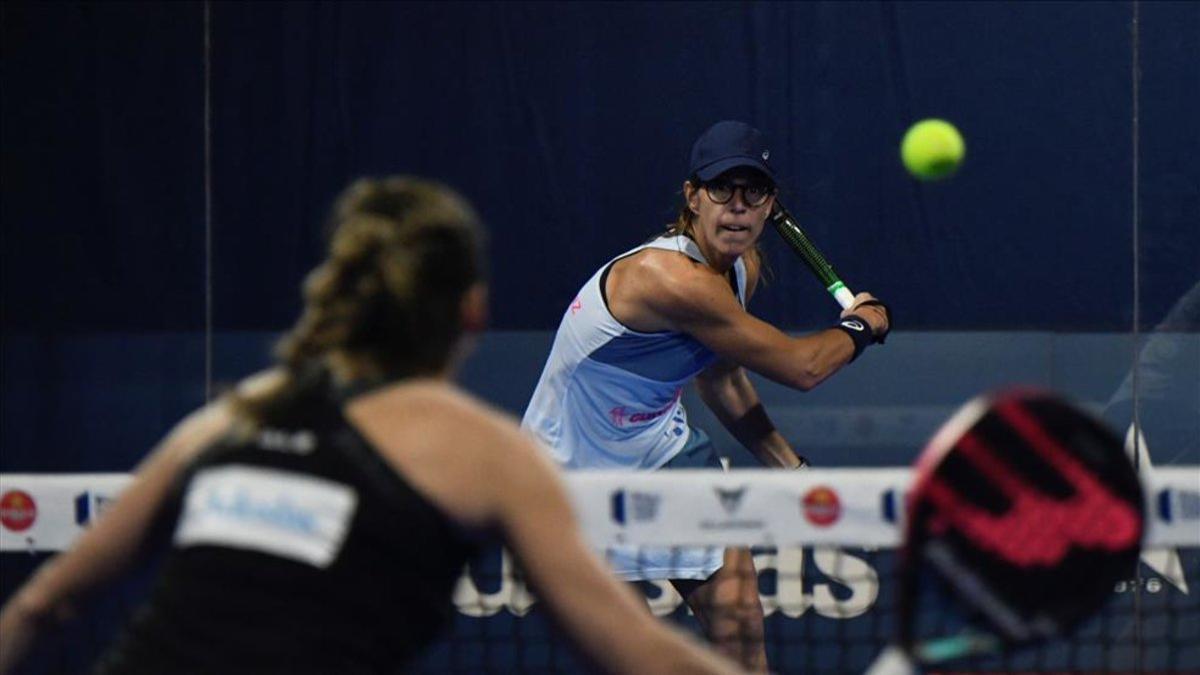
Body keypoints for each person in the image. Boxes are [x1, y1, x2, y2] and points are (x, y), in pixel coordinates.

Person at [0, 176, 742, 675]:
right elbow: (637, 648)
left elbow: (42, 601)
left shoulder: (230, 417)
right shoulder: (485, 455)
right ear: (471, 313)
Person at [522, 121, 891, 671]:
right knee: (625, 654)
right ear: (693, 197)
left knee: (739, 612)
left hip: (654, 444)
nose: (737, 208)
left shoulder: (739, 267)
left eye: (753, 193)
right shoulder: (666, 278)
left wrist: (790, 469)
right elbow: (802, 367)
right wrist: (862, 327)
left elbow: (716, 374)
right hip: (569, 468)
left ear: (770, 207)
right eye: (722, 189)